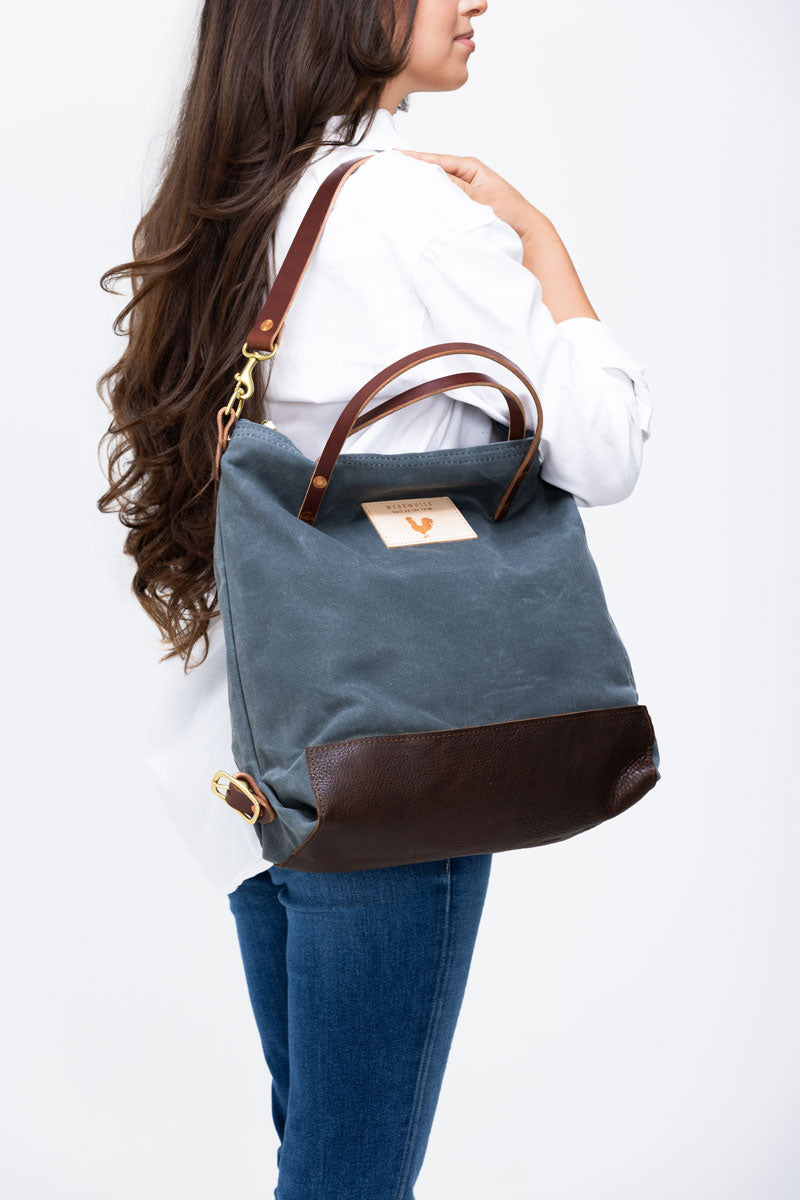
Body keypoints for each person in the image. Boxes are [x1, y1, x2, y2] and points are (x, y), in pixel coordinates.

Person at [98, 1, 654, 1195]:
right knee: (350, 1180)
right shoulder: (409, 208)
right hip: (399, 769)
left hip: (258, 767)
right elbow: (601, 450)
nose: (473, 1)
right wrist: (543, 244)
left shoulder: (238, 204)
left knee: (322, 1160)